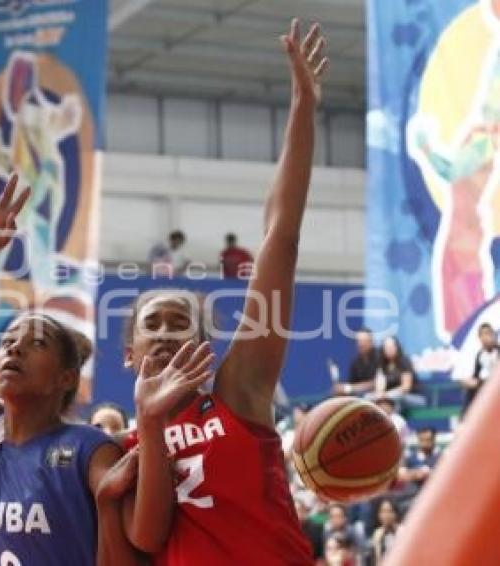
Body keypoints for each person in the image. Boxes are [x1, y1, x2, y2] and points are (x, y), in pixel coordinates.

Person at [0, 172, 204, 565]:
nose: (15, 347)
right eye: (8, 342)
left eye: (35, 343)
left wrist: (106, 503)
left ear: (65, 378)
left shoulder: (90, 448)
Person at [118, 19, 328, 564]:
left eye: (179, 322)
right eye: (153, 324)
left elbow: (281, 237)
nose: (165, 334)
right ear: (129, 352)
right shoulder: (125, 448)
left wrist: (303, 107)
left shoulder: (240, 393)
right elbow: (146, 539)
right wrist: (150, 420)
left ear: (205, 345)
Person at [375, 336, 425, 409]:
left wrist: (388, 395)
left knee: (396, 399)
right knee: (369, 398)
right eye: (386, 348)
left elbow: (405, 387)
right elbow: (379, 387)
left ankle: (394, 420)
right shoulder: (382, 365)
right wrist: (380, 395)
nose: (389, 350)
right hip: (388, 397)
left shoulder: (405, 361)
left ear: (397, 347)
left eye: (391, 347)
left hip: (412, 397)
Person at [461, 322, 498, 413]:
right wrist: (470, 381)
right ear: (480, 338)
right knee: (470, 390)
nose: (487, 337)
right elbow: (476, 374)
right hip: (484, 386)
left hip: (496, 385)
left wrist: (479, 383)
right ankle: (466, 418)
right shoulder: (480, 355)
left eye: (489, 333)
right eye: (484, 334)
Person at [333, 329, 380, 396]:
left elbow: (376, 383)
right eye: (359, 341)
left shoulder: (380, 357)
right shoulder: (355, 362)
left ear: (371, 342)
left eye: (364, 341)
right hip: (359, 398)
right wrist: (342, 389)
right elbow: (351, 383)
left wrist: (348, 388)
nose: (360, 344)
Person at [371, 499, 400, 563]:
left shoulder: (403, 532)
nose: (386, 515)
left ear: (395, 514)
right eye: (383, 512)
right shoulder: (377, 534)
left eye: (389, 511)